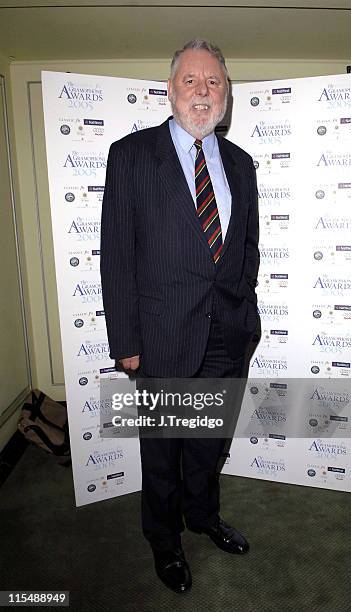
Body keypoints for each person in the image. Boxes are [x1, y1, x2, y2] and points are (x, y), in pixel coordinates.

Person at [100, 39, 260, 593]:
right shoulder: (132, 155)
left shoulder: (242, 164)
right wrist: (126, 340)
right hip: (163, 336)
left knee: (207, 441)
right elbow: (117, 254)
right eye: (190, 81)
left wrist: (244, 313)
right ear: (170, 90)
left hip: (226, 333)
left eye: (213, 82)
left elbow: (247, 247)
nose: (202, 91)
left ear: (227, 96)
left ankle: (203, 517)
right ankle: (164, 541)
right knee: (163, 450)